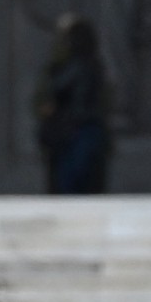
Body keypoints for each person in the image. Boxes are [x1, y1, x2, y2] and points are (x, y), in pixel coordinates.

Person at [35, 13, 112, 194]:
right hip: (80, 130)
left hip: (77, 130)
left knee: (72, 184)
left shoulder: (78, 67)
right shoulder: (92, 66)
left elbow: (55, 89)